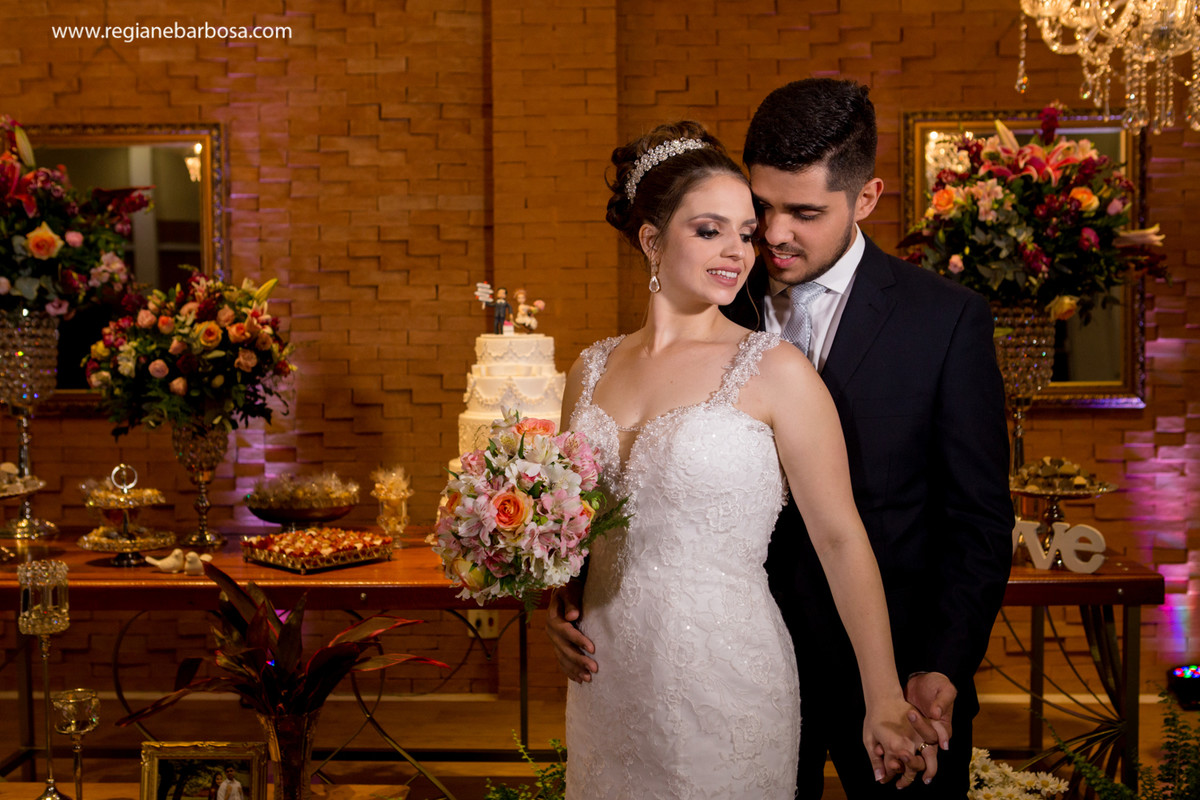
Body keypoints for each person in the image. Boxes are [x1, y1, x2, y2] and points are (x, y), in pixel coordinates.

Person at [553, 120, 933, 800]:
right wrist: (556, 599)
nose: (737, 251)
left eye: (745, 233)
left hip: (725, 680)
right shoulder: (588, 370)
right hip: (607, 677)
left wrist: (882, 697)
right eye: (710, 230)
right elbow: (568, 524)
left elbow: (841, 539)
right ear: (650, 239)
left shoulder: (775, 371)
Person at [729, 78, 1014, 796]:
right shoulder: (713, 302)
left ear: (866, 199)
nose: (773, 233)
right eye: (760, 206)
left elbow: (978, 519)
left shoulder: (946, 321)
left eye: (804, 212)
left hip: (899, 671)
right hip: (739, 668)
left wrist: (944, 664)